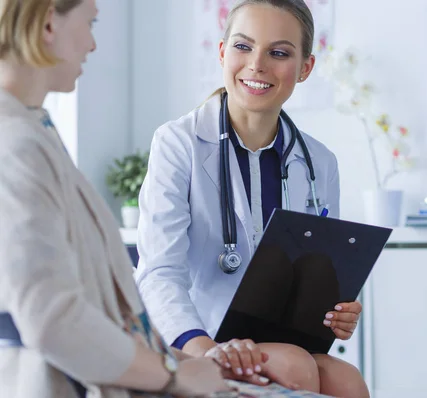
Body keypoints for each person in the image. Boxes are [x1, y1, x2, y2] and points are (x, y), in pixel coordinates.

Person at [135, 1, 369, 396]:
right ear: (224, 52)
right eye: (243, 47)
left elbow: (320, 269)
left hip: (278, 337)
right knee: (294, 367)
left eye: (278, 53)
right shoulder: (178, 143)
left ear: (305, 68)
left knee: (347, 380)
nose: (257, 64)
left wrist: (337, 312)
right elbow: (159, 273)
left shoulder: (319, 163)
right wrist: (204, 348)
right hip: (196, 338)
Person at [0, 0, 230, 396]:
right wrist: (171, 375)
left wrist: (176, 361)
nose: (92, 44)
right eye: (90, 23)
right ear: (49, 24)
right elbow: (53, 319)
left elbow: (102, 302)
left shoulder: (34, 131)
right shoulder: (14, 144)